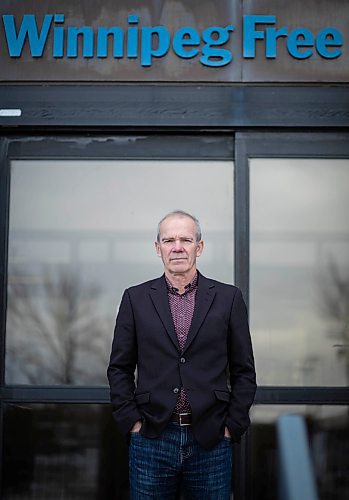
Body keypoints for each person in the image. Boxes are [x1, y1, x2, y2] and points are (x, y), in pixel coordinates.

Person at [107, 210, 256, 499]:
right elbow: (119, 368)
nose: (177, 247)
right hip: (152, 437)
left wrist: (232, 426)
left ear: (198, 247)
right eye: (169, 240)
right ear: (157, 248)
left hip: (211, 440)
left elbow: (244, 371)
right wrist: (132, 424)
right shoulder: (134, 299)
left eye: (185, 239)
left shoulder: (228, 299)